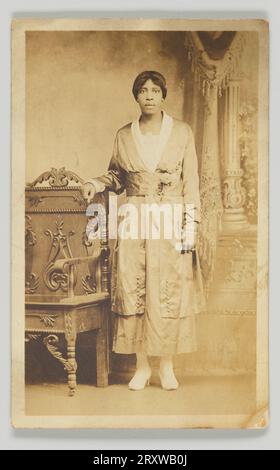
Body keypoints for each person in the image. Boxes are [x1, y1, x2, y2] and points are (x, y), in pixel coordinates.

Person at [81, 71, 205, 391]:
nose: (149, 96)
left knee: (167, 291)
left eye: (154, 90)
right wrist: (95, 183)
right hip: (135, 218)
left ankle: (166, 365)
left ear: (164, 95)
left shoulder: (181, 132)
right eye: (142, 91)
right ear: (136, 97)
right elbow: (116, 176)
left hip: (169, 218)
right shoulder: (124, 135)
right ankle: (141, 366)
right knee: (134, 287)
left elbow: (191, 182)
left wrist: (190, 226)